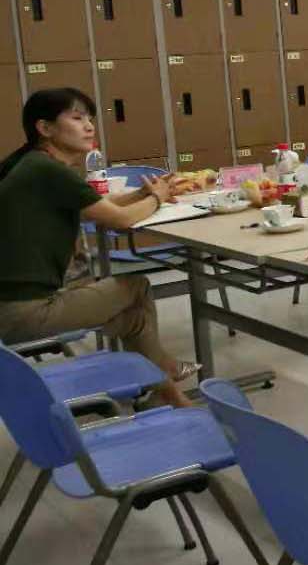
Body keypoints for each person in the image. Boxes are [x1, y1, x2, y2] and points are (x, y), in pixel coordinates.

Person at [0, 89, 195, 407]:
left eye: (90, 118)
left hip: (12, 309)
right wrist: (156, 198)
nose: (89, 126)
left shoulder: (32, 164)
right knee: (138, 287)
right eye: (77, 118)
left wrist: (145, 194)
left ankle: (167, 392)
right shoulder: (47, 170)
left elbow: (98, 205)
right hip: (26, 313)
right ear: (44, 128)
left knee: (135, 319)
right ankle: (167, 377)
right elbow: (119, 220)